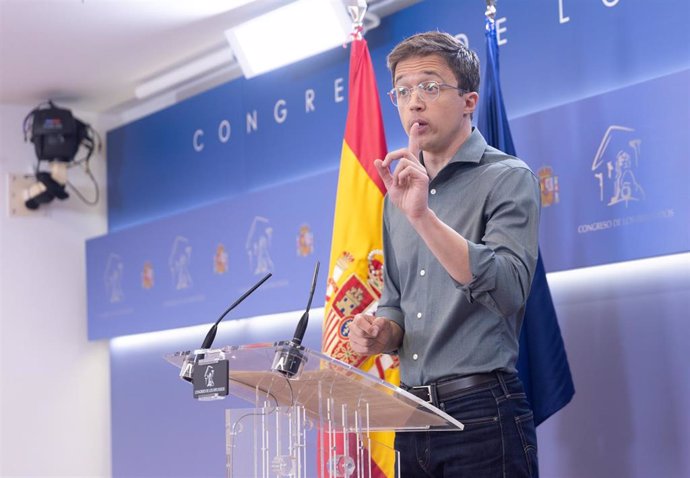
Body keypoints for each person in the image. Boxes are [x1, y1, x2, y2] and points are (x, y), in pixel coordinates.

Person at [348, 31, 540, 477]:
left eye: (430, 87)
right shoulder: (394, 195)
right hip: (410, 412)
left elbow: (510, 290)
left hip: (481, 412)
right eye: (403, 90)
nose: (414, 102)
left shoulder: (507, 178)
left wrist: (423, 218)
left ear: (469, 100)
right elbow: (395, 301)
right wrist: (380, 333)